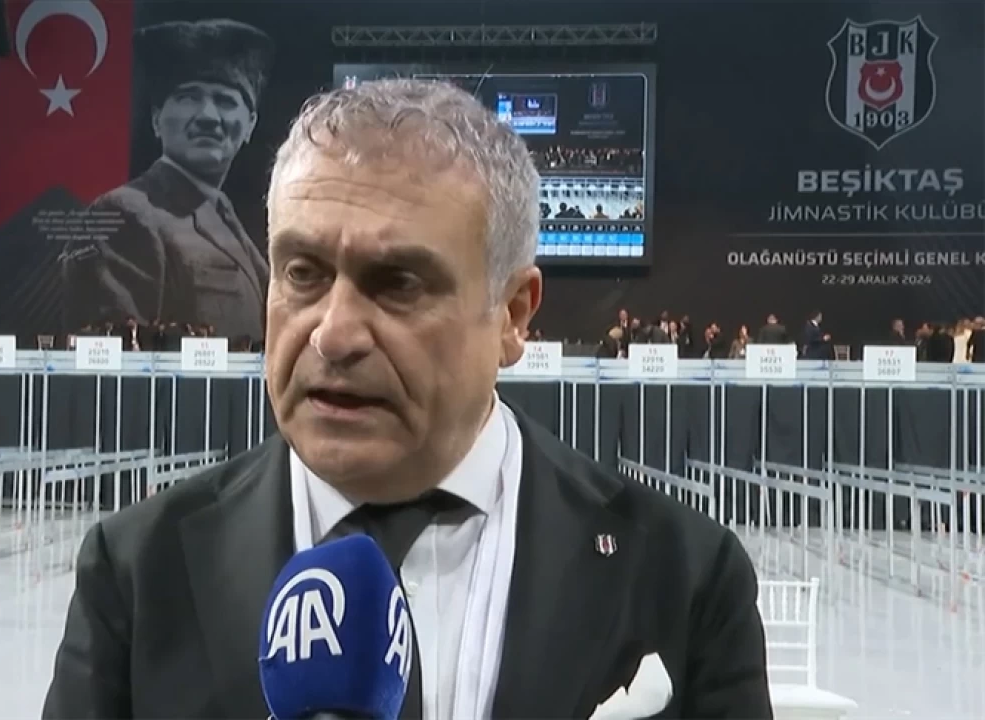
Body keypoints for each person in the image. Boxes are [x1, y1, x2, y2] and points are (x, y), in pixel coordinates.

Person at [42, 78, 772, 719]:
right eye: (302, 273)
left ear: (513, 315)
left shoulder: (683, 575)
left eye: (398, 284)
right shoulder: (138, 570)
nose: (333, 334)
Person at [60, 19, 274, 340]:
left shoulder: (224, 213)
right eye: (188, 97)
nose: (208, 116)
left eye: (226, 100)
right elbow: (114, 354)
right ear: (156, 119)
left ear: (250, 125)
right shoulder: (124, 212)